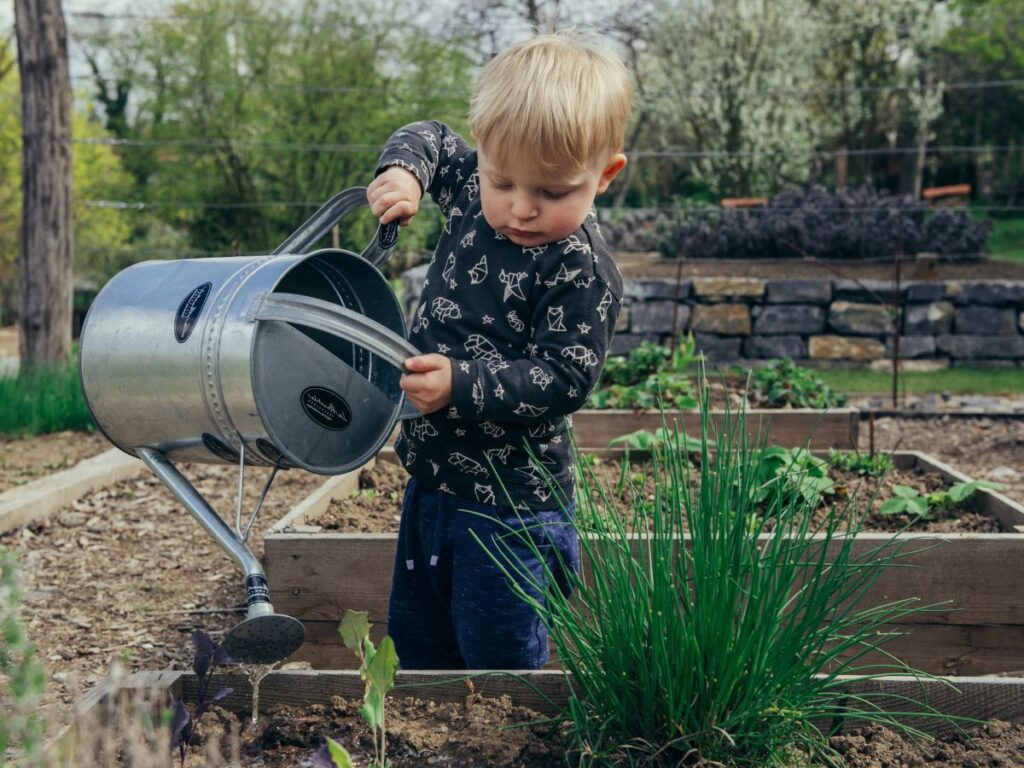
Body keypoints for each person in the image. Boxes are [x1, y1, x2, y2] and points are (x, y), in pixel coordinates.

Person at [366, 31, 633, 670]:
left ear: (606, 175)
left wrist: (461, 384)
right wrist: (402, 172)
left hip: (511, 508)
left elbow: (564, 377)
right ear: (483, 153)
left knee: (498, 659)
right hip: (430, 482)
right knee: (419, 641)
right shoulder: (467, 189)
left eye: (554, 192)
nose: (521, 208)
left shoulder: (580, 270)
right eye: (502, 179)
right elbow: (428, 135)